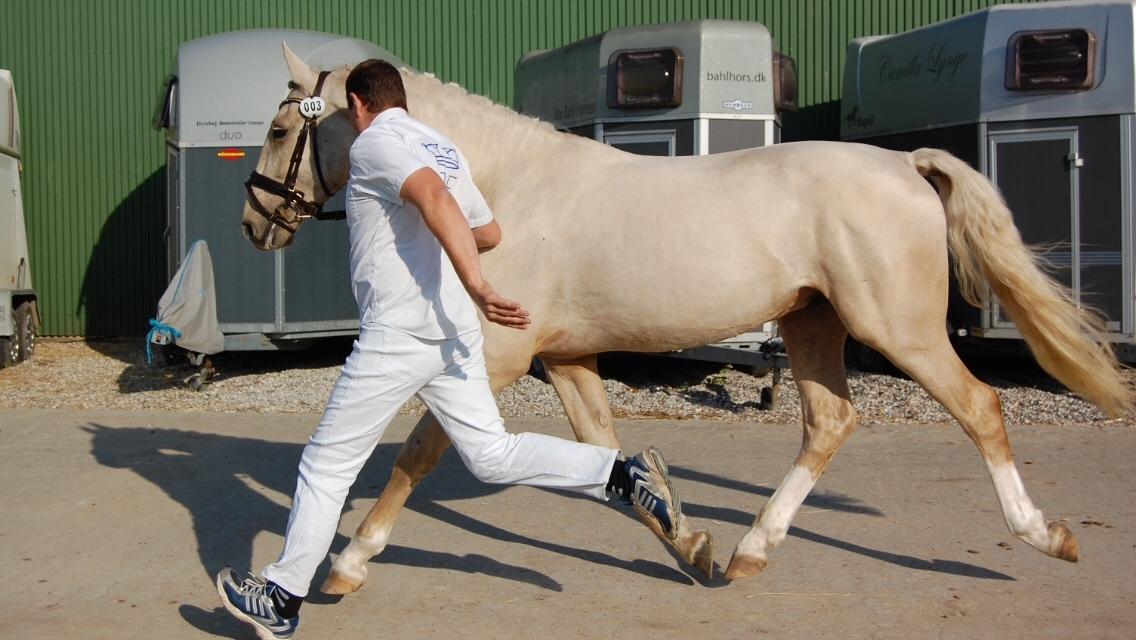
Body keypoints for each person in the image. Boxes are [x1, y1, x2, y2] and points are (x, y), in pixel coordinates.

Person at [216, 59, 688, 640]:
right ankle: (622, 473)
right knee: (492, 454)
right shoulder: (442, 146)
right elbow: (487, 231)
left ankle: (283, 595)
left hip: (397, 336)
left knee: (325, 464)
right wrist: (444, 247)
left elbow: (436, 201)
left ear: (358, 105)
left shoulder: (374, 145)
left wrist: (480, 285)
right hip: (454, 335)